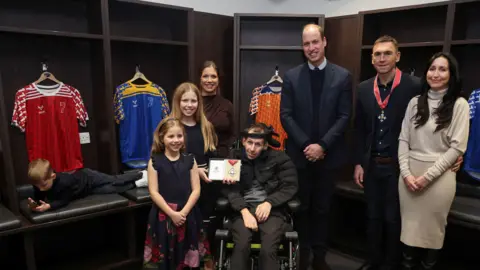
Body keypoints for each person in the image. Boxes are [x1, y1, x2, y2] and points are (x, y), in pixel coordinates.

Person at [353, 36, 463, 270]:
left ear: (397, 56)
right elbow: (360, 129)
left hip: (401, 167)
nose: (382, 58)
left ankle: (392, 263)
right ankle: (373, 260)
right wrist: (359, 163)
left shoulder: (414, 86)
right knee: (372, 216)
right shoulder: (363, 88)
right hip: (372, 165)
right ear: (372, 58)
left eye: (387, 53)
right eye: (377, 54)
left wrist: (457, 154)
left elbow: (441, 110)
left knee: (394, 219)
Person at [280, 23, 352, 270]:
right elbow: (285, 116)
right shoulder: (290, 77)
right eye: (306, 43)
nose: (311, 48)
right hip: (299, 158)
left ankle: (320, 256)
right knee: (301, 208)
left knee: (323, 208)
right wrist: (306, 146)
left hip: (329, 157)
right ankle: (302, 254)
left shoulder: (342, 76)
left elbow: (344, 116)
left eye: (315, 42)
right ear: (303, 47)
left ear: (324, 42)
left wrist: (322, 145)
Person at [397, 52, 469, 270]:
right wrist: (406, 174)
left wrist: (426, 178)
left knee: (433, 234)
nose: (435, 74)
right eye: (432, 68)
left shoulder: (459, 105)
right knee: (408, 232)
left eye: (442, 69)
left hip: (439, 180)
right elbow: (403, 139)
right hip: (408, 176)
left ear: (451, 74)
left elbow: (457, 148)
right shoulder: (414, 103)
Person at [223, 123, 298, 270]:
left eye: (258, 144)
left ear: (265, 145)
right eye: (249, 143)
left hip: (273, 211)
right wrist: (244, 211)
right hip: (242, 211)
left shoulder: (281, 159)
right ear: (244, 141)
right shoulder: (234, 157)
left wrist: (269, 203)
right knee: (242, 245)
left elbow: (290, 186)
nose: (252, 148)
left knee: (268, 249)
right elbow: (230, 190)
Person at [142, 117, 202, 269]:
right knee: (165, 255)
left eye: (179, 136)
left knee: (185, 253)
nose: (176, 140)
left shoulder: (190, 160)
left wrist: (183, 212)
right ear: (162, 138)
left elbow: (196, 189)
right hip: (163, 216)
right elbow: (153, 192)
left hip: (187, 214)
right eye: (171, 136)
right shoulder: (155, 161)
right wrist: (172, 214)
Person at [170, 82, 218, 268]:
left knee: (205, 228)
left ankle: (206, 263)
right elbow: (163, 160)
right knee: (185, 229)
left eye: (193, 101)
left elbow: (212, 156)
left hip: (206, 185)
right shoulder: (170, 127)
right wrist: (193, 169)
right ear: (177, 101)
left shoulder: (206, 126)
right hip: (180, 187)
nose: (189, 105)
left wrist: (221, 172)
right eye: (185, 100)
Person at [27, 159, 142, 212]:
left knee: (113, 180)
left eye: (43, 185)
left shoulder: (64, 182)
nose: (40, 188)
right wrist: (34, 204)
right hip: (86, 190)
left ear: (53, 176)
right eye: (37, 186)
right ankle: (135, 184)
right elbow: (39, 196)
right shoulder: (39, 184)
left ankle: (140, 174)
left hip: (90, 177)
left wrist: (49, 206)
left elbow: (64, 200)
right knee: (111, 189)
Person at [200, 60, 236, 158]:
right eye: (205, 76)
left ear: (219, 79)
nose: (209, 80)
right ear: (200, 79)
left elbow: (233, 134)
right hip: (197, 159)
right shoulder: (193, 104)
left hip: (222, 160)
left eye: (213, 76)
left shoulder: (227, 105)